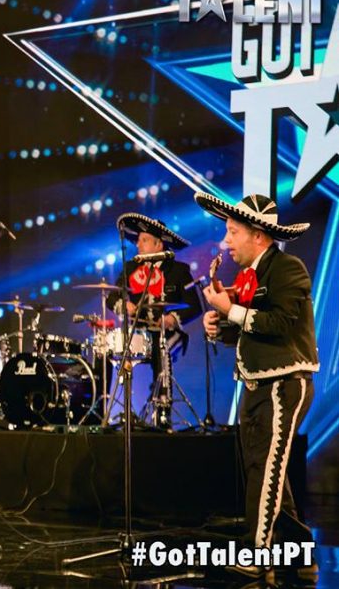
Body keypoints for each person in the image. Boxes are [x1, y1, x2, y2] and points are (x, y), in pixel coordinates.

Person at [196, 192, 318, 580]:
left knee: (266, 469)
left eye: (233, 232)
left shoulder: (288, 269)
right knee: (266, 470)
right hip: (256, 384)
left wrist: (230, 311)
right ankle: (301, 556)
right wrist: (218, 326)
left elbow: (279, 324)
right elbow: (249, 330)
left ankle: (257, 553)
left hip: (285, 384)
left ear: (258, 236)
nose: (226, 241)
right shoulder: (249, 277)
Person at [106, 213, 201, 427]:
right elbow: (111, 297)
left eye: (144, 240)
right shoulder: (131, 267)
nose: (138, 244)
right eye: (138, 240)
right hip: (139, 333)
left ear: (159, 244)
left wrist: (172, 319)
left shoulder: (178, 270)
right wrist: (124, 305)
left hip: (169, 334)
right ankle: (119, 410)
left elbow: (195, 305)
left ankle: (163, 412)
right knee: (108, 349)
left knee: (163, 349)